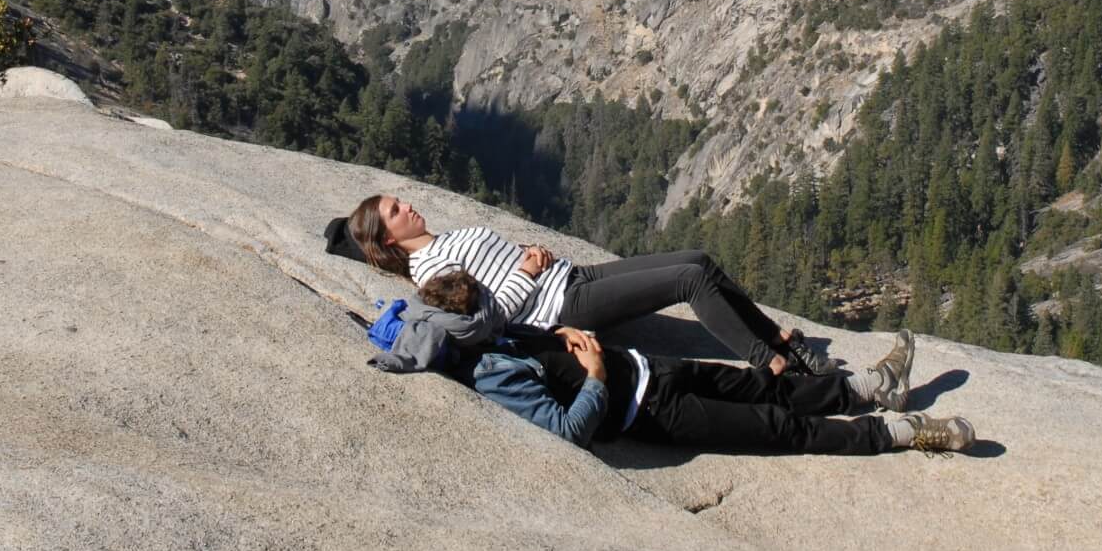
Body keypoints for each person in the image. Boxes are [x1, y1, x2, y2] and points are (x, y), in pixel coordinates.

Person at [417, 269, 975, 456]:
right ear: (465, 328)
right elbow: (566, 429)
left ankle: (871, 389)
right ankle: (899, 434)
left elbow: (523, 335)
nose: (497, 311)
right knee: (780, 428)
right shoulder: (490, 373)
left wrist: (554, 331)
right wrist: (594, 376)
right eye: (486, 309)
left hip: (653, 368)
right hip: (652, 412)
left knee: (768, 388)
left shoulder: (499, 337)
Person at [346, 193, 832, 377]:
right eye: (396, 211)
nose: (407, 205)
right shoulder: (429, 274)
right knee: (688, 281)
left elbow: (497, 268)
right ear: (388, 238)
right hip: (562, 305)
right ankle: (770, 363)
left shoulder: (445, 240)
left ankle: (776, 337)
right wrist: (527, 273)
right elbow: (490, 319)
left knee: (697, 258)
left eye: (400, 201)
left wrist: (532, 255)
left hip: (570, 275)